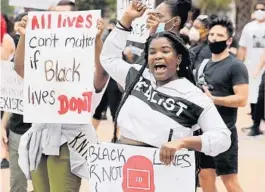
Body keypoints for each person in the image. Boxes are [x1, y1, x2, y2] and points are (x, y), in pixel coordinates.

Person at [101, 1, 231, 184]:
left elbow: (223, 138)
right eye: (152, 52)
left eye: (165, 51)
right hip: (124, 166)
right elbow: (108, 58)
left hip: (165, 175)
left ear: (178, 59)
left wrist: (183, 143)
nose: (158, 56)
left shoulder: (192, 95)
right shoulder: (137, 75)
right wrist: (127, 18)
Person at [14, 1, 109, 191]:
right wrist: (25, 37)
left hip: (69, 140)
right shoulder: (41, 60)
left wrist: (97, 40)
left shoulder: (87, 61)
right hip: (41, 137)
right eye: (54, 17)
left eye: (65, 18)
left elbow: (102, 75)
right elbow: (20, 68)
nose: (59, 22)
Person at [196, 17, 248, 192]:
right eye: (211, 34)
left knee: (229, 181)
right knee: (204, 175)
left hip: (224, 132)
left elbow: (242, 99)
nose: (214, 38)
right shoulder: (204, 65)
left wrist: (215, 100)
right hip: (203, 134)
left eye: (219, 35)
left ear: (229, 40)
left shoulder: (236, 66)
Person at [0, 12, 31, 192]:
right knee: (17, 185)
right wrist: (2, 126)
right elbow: (12, 98)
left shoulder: (54, 60)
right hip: (18, 130)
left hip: (46, 134)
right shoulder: (13, 64)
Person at [136, 0, 195, 66]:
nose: (153, 19)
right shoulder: (153, 41)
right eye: (153, 15)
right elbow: (137, 69)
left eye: (159, 16)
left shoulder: (186, 55)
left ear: (176, 21)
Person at [237, 1, 265, 132]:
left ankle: (257, 123)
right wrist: (238, 64)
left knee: (260, 94)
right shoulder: (248, 27)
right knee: (253, 94)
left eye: (263, 9)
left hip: (262, 67)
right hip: (250, 64)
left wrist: (260, 66)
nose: (260, 11)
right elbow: (242, 47)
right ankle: (255, 122)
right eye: (258, 9)